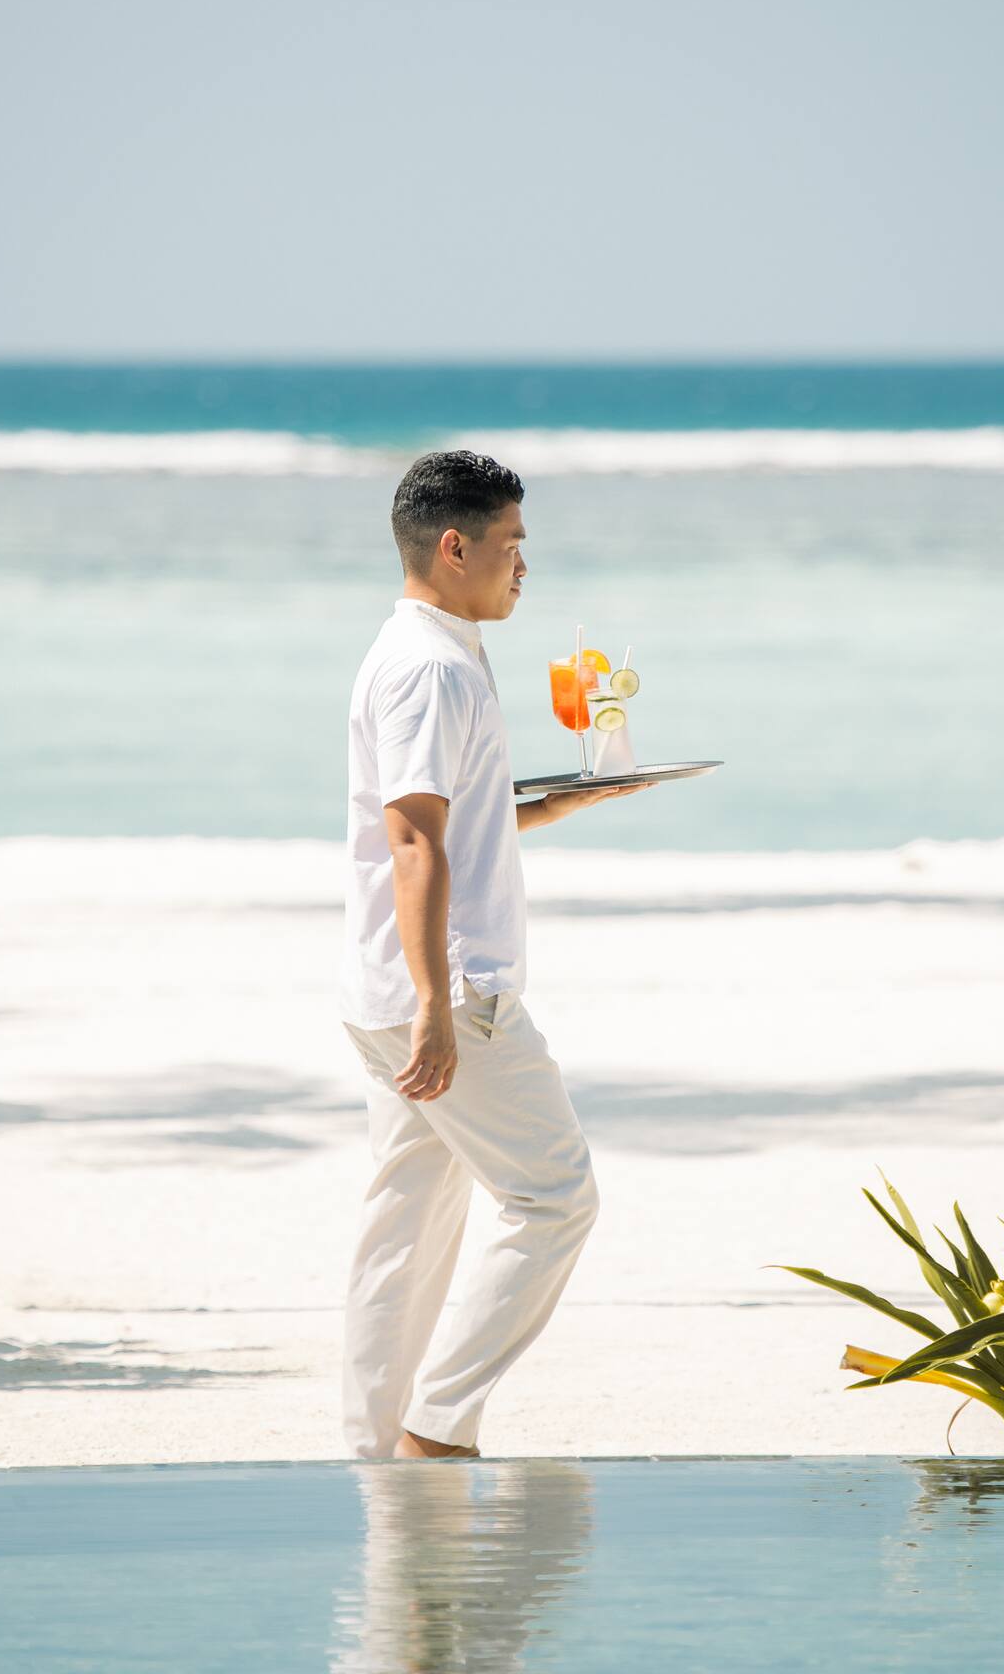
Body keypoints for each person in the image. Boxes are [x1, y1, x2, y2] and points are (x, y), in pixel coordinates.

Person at [339, 448, 652, 1460]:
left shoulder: (427, 647)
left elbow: (458, 820)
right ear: (454, 543)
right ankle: (437, 1430)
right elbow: (413, 838)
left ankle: (378, 1447)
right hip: (448, 991)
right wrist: (439, 1000)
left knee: (407, 1229)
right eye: (512, 545)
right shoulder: (430, 666)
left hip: (390, 984)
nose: (525, 567)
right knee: (556, 1195)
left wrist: (559, 800)